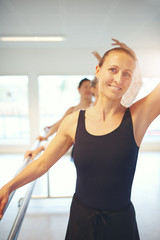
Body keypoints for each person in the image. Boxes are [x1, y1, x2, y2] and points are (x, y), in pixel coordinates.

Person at [1, 44, 159, 239]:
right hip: (81, 221)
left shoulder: (137, 117)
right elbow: (42, 164)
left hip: (120, 223)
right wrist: (8, 187)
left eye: (127, 73)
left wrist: (135, 56)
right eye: (113, 69)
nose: (119, 79)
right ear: (98, 70)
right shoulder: (74, 121)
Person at [24, 78, 92, 160]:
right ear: (79, 89)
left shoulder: (95, 108)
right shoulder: (72, 109)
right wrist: (46, 136)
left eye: (91, 87)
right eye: (85, 87)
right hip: (78, 148)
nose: (88, 89)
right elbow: (61, 124)